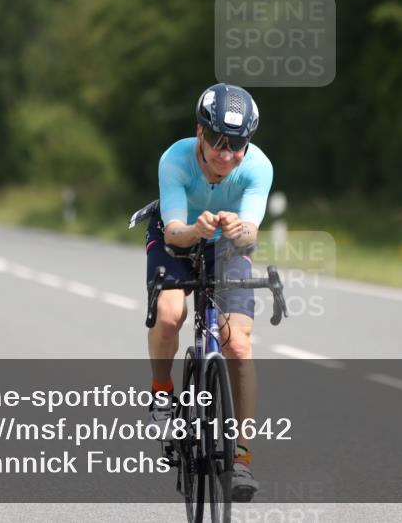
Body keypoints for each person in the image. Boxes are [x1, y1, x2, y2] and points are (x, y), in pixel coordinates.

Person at [145, 83, 272, 502]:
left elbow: (250, 234)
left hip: (228, 245)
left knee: (239, 344)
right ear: (199, 132)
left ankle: (241, 457)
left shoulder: (258, 167)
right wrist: (195, 230)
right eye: (217, 139)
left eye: (236, 144)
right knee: (170, 316)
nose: (225, 153)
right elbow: (174, 231)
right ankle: (161, 391)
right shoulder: (175, 159)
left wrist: (240, 229)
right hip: (177, 236)